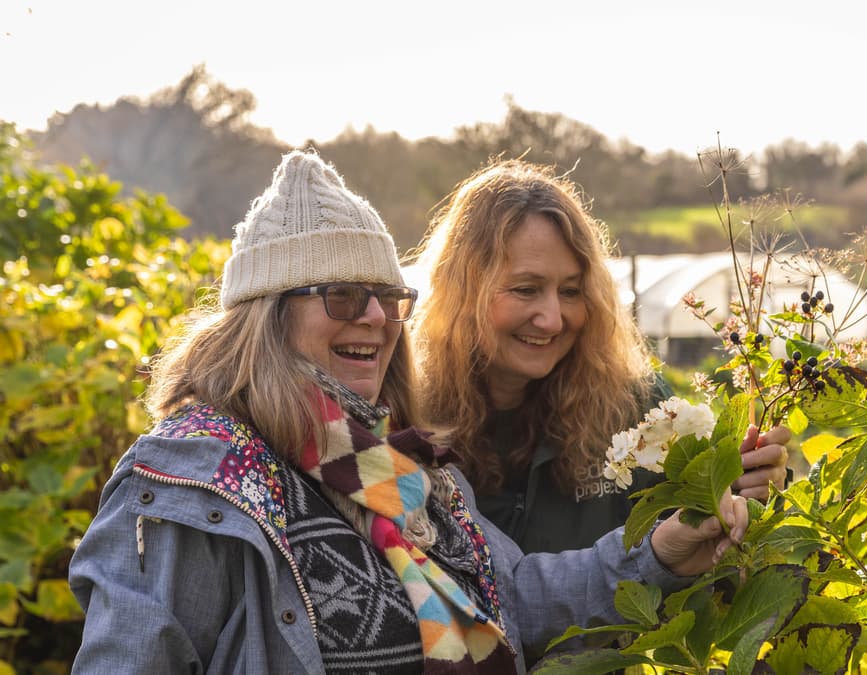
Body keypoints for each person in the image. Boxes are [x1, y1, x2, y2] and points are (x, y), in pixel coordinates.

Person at [68, 151, 756, 674]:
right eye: (341, 295)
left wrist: (659, 553)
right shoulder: (194, 480)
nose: (373, 315)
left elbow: (511, 594)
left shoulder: (391, 462)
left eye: (387, 296)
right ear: (268, 316)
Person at [411, 159, 790, 554]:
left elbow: (699, 550)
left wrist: (743, 490)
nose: (553, 319)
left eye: (571, 292)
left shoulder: (632, 405)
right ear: (462, 292)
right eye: (526, 289)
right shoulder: (410, 416)